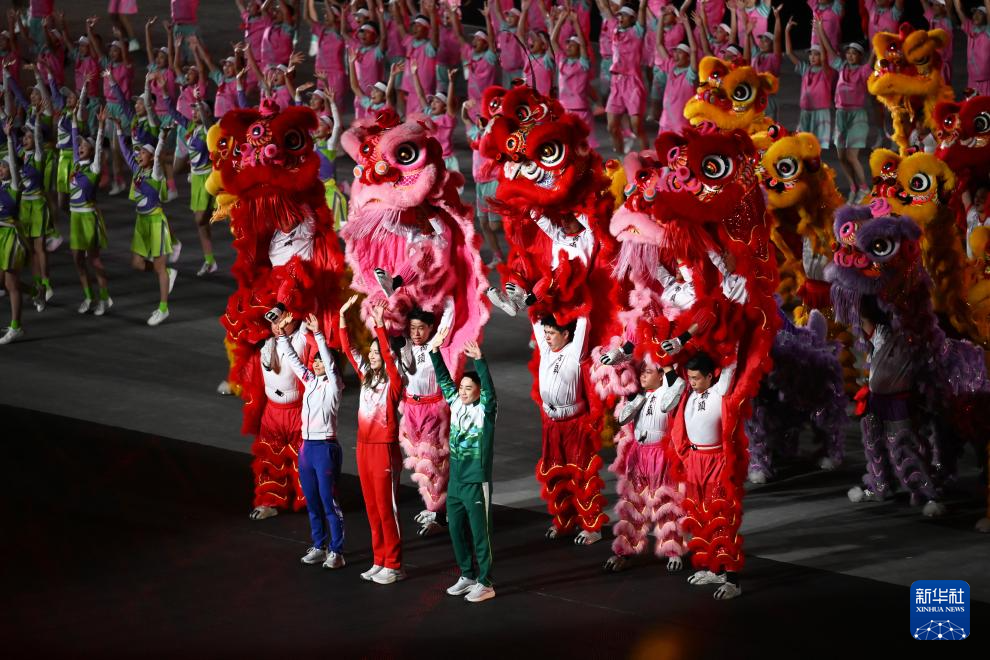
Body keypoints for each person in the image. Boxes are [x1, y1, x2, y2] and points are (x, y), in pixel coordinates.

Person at [339, 295, 405, 585]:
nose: (375, 355)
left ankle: (394, 564)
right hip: (364, 448)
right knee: (372, 508)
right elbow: (348, 349)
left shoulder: (394, 381)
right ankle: (379, 560)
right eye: (373, 352)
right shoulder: (366, 376)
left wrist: (380, 327)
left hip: (384, 449)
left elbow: (390, 358)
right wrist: (342, 319)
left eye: (379, 352)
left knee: (387, 508)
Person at [430, 330, 498, 604]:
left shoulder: (486, 411)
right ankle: (468, 575)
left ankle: (486, 582)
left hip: (476, 481)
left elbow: (490, 391)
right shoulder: (456, 403)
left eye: (469, 388)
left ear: (479, 391)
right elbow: (444, 380)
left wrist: (480, 361)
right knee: (456, 530)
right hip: (456, 482)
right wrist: (434, 352)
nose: (463, 391)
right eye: (462, 387)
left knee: (481, 535)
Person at [277, 312, 346, 570]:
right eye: (315, 361)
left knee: (329, 502)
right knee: (313, 501)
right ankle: (319, 545)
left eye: (321, 361)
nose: (317, 364)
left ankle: (337, 551)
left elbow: (329, 363)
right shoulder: (310, 382)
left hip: (326, 448)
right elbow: (294, 360)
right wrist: (281, 335)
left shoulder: (334, 385)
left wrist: (318, 335)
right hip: (307, 448)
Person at [605, 359, 686, 573]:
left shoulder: (667, 393)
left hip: (660, 453)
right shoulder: (640, 396)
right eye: (641, 371)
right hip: (639, 453)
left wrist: (666, 361)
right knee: (633, 504)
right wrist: (632, 398)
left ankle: (673, 550)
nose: (642, 375)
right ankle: (624, 551)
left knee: (665, 502)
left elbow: (675, 380)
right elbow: (622, 418)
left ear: (661, 375)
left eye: (648, 372)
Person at [533, 315, 607, 544]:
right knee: (556, 474)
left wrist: (581, 306)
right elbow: (535, 317)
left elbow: (584, 320)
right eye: (546, 333)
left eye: (552, 333)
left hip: (574, 425)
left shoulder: (575, 352)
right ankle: (564, 521)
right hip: (552, 425)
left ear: (566, 334)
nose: (546, 337)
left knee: (581, 474)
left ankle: (593, 528)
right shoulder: (546, 351)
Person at [673, 352, 741, 600]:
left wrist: (731, 336)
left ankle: (733, 581)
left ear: (711, 376)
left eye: (696, 378)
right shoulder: (689, 394)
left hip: (716, 462)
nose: (691, 382)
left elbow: (732, 359)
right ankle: (715, 569)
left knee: (721, 519)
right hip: (694, 461)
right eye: (689, 377)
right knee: (699, 517)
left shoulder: (719, 391)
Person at [112, 117, 178, 326]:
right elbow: (125, 152)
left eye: (142, 153)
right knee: (137, 263)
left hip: (156, 221)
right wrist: (119, 130)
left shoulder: (156, 173)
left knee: (159, 267)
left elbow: (158, 156)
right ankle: (167, 272)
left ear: (150, 156)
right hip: (141, 222)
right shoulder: (138, 171)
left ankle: (163, 309)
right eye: (139, 152)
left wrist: (162, 137)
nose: (138, 155)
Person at [394, 306, 454, 536]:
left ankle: (439, 514)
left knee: (434, 461)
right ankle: (433, 506)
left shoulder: (436, 346)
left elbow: (448, 318)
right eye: (412, 328)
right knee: (420, 460)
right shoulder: (406, 347)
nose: (416, 333)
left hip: (432, 410)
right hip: (410, 408)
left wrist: (447, 297)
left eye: (421, 328)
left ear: (430, 328)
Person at [249, 314, 310, 520]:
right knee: (270, 459)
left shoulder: (302, 337)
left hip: (298, 412)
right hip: (272, 412)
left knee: (304, 458)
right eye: (274, 322)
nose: (277, 326)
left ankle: (312, 502)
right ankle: (269, 502)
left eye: (283, 321)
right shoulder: (266, 342)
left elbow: (310, 305)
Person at [164, 86, 216, 276]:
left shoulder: (211, 131)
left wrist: (201, 102)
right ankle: (209, 261)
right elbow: (173, 113)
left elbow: (208, 125)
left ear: (207, 113)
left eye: (198, 110)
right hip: (196, 179)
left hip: (209, 178)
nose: (194, 112)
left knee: (201, 219)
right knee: (201, 224)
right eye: (193, 109)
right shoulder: (192, 128)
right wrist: (164, 90)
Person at [819, 22, 872, 202]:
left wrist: (876, 45)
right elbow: (828, 49)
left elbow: (873, 57)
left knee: (851, 156)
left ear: (860, 56)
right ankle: (853, 187)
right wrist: (820, 29)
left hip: (857, 116)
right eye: (848, 52)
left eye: (854, 53)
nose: (850, 55)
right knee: (841, 155)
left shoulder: (864, 70)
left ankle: (864, 188)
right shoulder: (841, 67)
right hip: (841, 115)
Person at [69, 107, 111, 316]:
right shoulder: (76, 164)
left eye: (85, 145)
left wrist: (101, 125)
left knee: (94, 260)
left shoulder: (94, 168)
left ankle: (104, 298)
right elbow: (74, 139)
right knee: (77, 259)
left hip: (88, 217)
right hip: (75, 217)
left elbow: (99, 144)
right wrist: (74, 119)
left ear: (92, 150)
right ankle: (88, 296)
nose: (80, 147)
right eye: (80, 145)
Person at [601, 0, 648, 152]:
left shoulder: (637, 32)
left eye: (625, 15)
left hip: (633, 83)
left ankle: (648, 159)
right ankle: (621, 157)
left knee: (636, 126)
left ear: (633, 18)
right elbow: (604, 7)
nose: (620, 17)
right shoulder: (615, 30)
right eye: (620, 15)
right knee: (611, 127)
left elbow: (642, 8)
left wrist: (642, 4)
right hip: (616, 82)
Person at [462, 99, 504, 266]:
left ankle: (514, 231)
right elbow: (465, 119)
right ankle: (498, 257)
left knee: (494, 225)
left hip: (493, 181)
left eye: (483, 118)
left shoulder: (493, 136)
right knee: (484, 223)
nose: (480, 120)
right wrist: (464, 108)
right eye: (479, 117)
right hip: (480, 183)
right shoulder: (476, 133)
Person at [786, 17, 835, 150]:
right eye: (811, 54)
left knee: (816, 145)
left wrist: (819, 31)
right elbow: (789, 53)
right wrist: (787, 31)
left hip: (820, 112)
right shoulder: (805, 69)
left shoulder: (826, 72)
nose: (812, 57)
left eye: (816, 54)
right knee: (802, 142)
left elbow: (824, 59)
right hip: (806, 111)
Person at [552, 9, 596, 147]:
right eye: (568, 44)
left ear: (579, 48)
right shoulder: (562, 60)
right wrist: (560, 20)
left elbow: (583, 43)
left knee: (583, 146)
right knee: (565, 144)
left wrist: (576, 22)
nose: (568, 46)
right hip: (564, 109)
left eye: (572, 44)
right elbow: (553, 40)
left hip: (580, 111)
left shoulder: (583, 64)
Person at [0, 122, 26, 345]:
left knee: (10, 284)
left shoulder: (14, 187)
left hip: (10, 236)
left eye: (4, 167)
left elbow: (14, 167)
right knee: (5, 282)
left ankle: (16, 327)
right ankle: (35, 291)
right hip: (0, 236)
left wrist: (9, 138)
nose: (1, 169)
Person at [409, 59, 459, 175]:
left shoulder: (448, 119)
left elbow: (450, 103)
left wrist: (451, 82)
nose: (433, 104)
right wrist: (415, 74)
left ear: (445, 107)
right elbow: (421, 95)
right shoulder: (428, 114)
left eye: (437, 102)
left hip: (445, 159)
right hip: (430, 158)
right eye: (433, 101)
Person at [655, 13, 698, 134]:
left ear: (688, 57)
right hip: (665, 122)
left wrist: (687, 25)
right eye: (675, 52)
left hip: (681, 126)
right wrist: (661, 17)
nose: (676, 55)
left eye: (680, 52)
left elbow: (694, 50)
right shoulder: (671, 66)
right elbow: (659, 44)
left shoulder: (690, 75)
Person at [744, 5, 782, 120]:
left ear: (772, 44)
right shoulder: (756, 54)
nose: (762, 42)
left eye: (766, 41)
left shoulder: (774, 58)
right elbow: (749, 37)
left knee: (769, 127)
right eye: (761, 39)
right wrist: (748, 32)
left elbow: (777, 39)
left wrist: (777, 18)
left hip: (768, 98)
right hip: (754, 96)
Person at [953, 0, 990, 96]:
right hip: (971, 81)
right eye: (975, 13)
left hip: (987, 82)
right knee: (970, 104)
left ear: (986, 17)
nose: (976, 15)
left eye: (980, 13)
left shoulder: (988, 32)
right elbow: (959, 10)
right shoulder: (971, 29)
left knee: (986, 105)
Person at [493, 1, 525, 86]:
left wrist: (524, 9)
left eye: (512, 16)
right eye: (508, 16)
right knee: (506, 92)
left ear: (519, 19)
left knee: (518, 93)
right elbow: (498, 11)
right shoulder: (504, 27)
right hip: (505, 70)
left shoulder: (520, 31)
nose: (509, 19)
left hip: (518, 71)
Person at [923, 0, 953, 84]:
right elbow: (923, 2)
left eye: (936, 5)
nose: (933, 7)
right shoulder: (932, 19)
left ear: (943, 7)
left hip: (942, 67)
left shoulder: (947, 22)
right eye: (933, 4)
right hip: (932, 64)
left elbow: (949, 5)